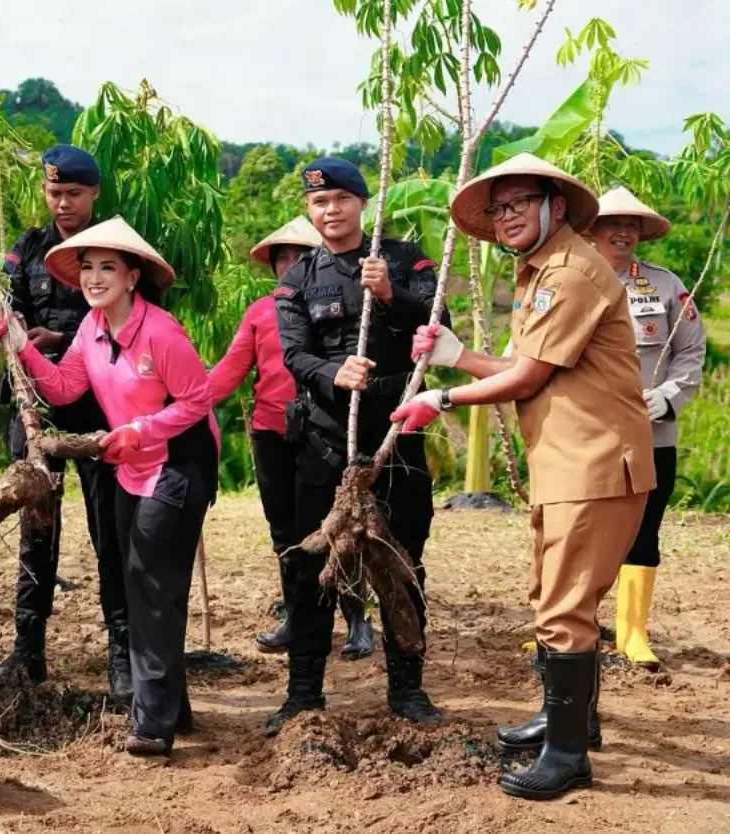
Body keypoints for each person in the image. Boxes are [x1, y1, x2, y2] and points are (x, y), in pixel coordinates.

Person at [396, 152, 656, 800]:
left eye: (519, 203)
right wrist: (460, 359)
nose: (507, 216)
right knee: (554, 597)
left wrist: (442, 398)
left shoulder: (570, 273)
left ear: (555, 206)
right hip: (567, 465)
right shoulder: (540, 271)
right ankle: (570, 720)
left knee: (566, 607)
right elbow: (521, 361)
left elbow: (529, 376)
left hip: (595, 465)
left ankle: (567, 755)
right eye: (499, 207)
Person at [0, 217, 219, 756]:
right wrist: (20, 344)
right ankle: (172, 708)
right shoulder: (91, 328)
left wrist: (138, 431)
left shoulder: (161, 331)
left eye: (107, 268)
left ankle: (153, 724)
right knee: (134, 578)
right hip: (131, 462)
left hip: (179, 462)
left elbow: (196, 401)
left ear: (133, 276)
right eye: (87, 268)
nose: (94, 278)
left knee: (152, 585)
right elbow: (65, 388)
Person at [272, 157, 447, 732]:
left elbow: (440, 318)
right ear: (309, 209)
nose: (331, 211)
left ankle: (408, 691)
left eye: (341, 200)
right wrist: (332, 373)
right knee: (310, 565)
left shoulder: (401, 257)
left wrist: (392, 292)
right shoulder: (296, 278)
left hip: (396, 435)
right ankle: (303, 694)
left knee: (403, 564)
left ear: (361, 203)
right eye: (320, 203)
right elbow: (294, 354)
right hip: (325, 440)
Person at [0, 145, 129, 705]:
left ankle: (121, 654)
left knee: (108, 533)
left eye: (74, 193)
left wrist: (62, 342)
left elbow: (128, 324)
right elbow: (12, 306)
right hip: (36, 405)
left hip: (101, 409)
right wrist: (17, 330)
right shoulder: (29, 246)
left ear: (94, 194)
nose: (63, 203)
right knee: (36, 529)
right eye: (54, 193)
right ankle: (28, 651)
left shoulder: (117, 247)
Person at [209, 217, 375, 660]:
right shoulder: (260, 312)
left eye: (299, 256)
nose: (289, 264)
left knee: (339, 528)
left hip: (326, 431)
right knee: (285, 531)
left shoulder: (346, 300)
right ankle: (298, 618)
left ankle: (358, 619)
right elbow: (230, 369)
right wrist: (183, 398)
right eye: (282, 257)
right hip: (272, 432)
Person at [589, 187, 706, 669]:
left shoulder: (664, 285)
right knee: (580, 533)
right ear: (590, 229)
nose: (624, 232)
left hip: (651, 434)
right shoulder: (568, 279)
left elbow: (691, 351)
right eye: (613, 222)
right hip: (585, 435)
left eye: (633, 224)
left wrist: (670, 397)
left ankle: (632, 634)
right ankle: (568, 628)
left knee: (644, 528)